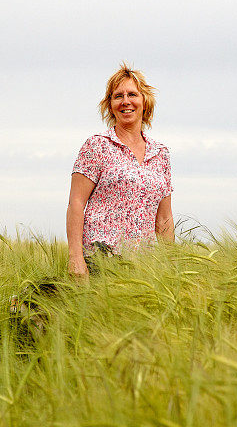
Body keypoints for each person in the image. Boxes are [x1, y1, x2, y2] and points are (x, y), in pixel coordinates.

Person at [66, 63, 174, 280]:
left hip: (145, 267)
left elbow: (164, 218)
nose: (126, 101)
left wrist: (169, 266)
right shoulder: (97, 146)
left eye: (132, 94)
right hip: (100, 261)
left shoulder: (161, 154)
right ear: (110, 105)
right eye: (118, 96)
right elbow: (76, 203)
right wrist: (75, 258)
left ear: (145, 102)